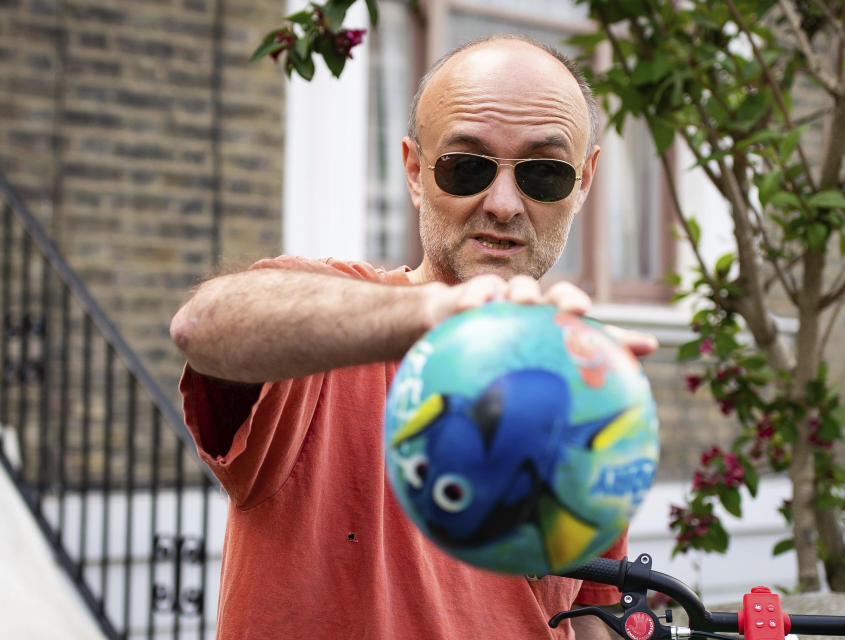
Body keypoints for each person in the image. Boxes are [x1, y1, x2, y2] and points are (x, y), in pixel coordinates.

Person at [170, 35, 658, 640]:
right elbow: (205, 324)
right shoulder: (333, 328)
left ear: (583, 183)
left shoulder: (584, 379)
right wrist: (440, 316)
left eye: (544, 174)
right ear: (413, 172)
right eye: (466, 167)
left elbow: (588, 618)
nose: (504, 204)